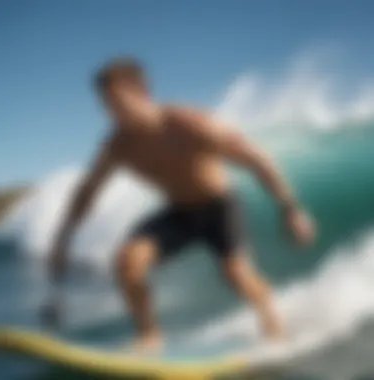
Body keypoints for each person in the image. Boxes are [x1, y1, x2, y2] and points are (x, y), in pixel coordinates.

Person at [47, 58, 315, 352]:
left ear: (144, 94)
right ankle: (149, 337)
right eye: (107, 107)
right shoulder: (117, 145)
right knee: (128, 262)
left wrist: (291, 209)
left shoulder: (189, 124)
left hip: (219, 208)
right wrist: (64, 238)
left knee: (236, 274)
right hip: (179, 212)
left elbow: (256, 159)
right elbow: (87, 192)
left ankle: (273, 325)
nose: (115, 115)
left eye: (120, 104)